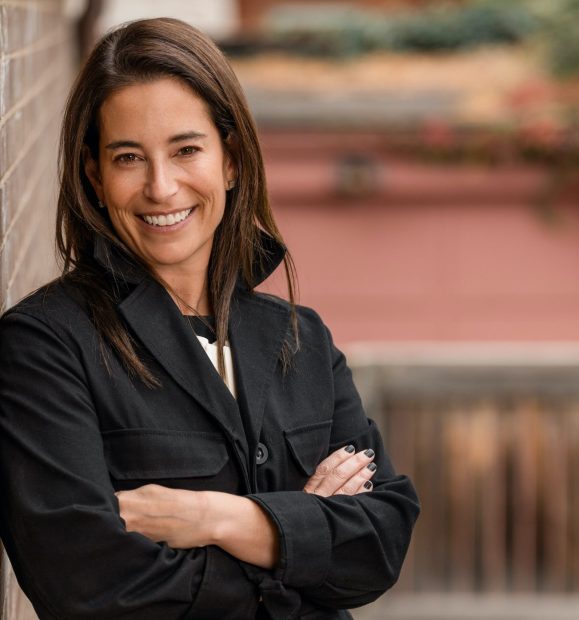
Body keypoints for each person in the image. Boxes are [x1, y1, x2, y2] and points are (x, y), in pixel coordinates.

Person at [0, 18, 419, 620]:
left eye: (186, 149)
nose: (161, 186)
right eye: (128, 158)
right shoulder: (46, 346)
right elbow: (89, 588)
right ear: (94, 176)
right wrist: (298, 538)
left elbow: (380, 542)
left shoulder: (300, 340)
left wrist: (216, 518)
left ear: (230, 161)